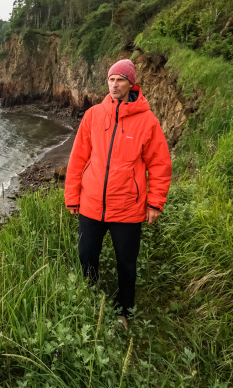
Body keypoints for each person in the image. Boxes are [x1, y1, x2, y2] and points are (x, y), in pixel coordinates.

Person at [64, 59, 172, 329]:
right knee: (86, 254)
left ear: (131, 83)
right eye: (111, 79)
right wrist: (72, 196)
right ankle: (90, 299)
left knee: (126, 263)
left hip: (127, 207)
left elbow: (159, 163)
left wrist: (155, 203)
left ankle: (124, 312)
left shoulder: (147, 121)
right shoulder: (93, 115)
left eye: (120, 79)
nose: (114, 84)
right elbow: (78, 157)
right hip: (91, 204)